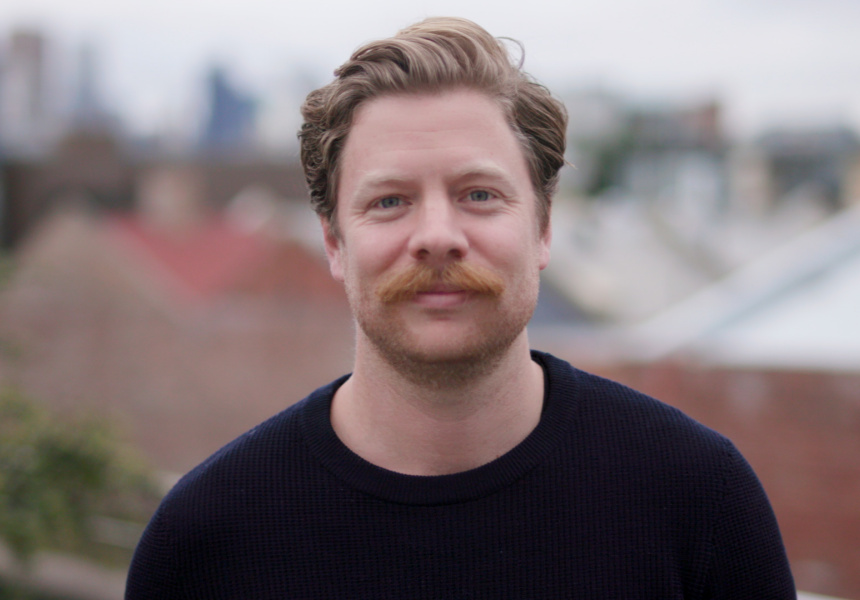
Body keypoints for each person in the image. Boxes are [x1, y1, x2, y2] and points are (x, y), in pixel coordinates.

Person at [126, 17, 795, 599]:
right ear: (333, 242)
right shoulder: (207, 536)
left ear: (543, 228)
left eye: (478, 194)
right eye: (390, 201)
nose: (438, 236)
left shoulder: (699, 500)